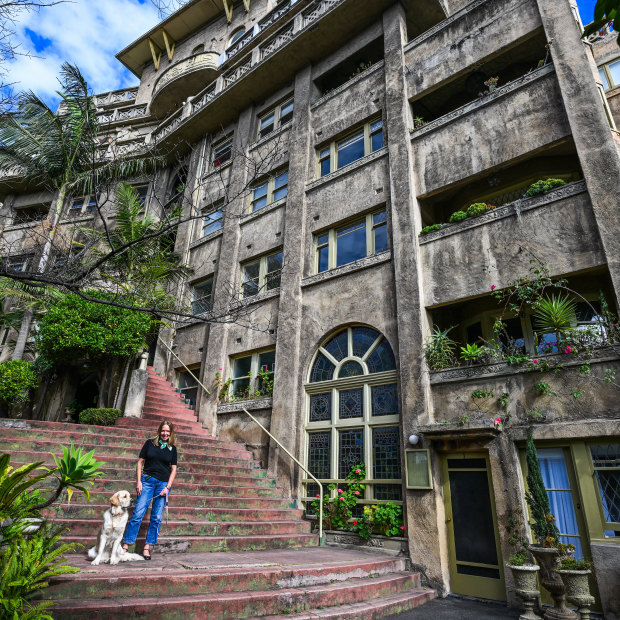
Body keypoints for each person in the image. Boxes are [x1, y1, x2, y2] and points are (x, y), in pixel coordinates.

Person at [122, 420, 177, 559]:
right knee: (138, 513)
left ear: (171, 434)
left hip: (163, 485)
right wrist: (138, 481)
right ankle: (126, 545)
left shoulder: (172, 449)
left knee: (157, 517)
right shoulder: (149, 443)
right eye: (163, 431)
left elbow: (174, 470)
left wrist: (167, 487)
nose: (165, 434)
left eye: (167, 432)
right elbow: (140, 463)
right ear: (159, 431)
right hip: (147, 482)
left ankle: (147, 547)